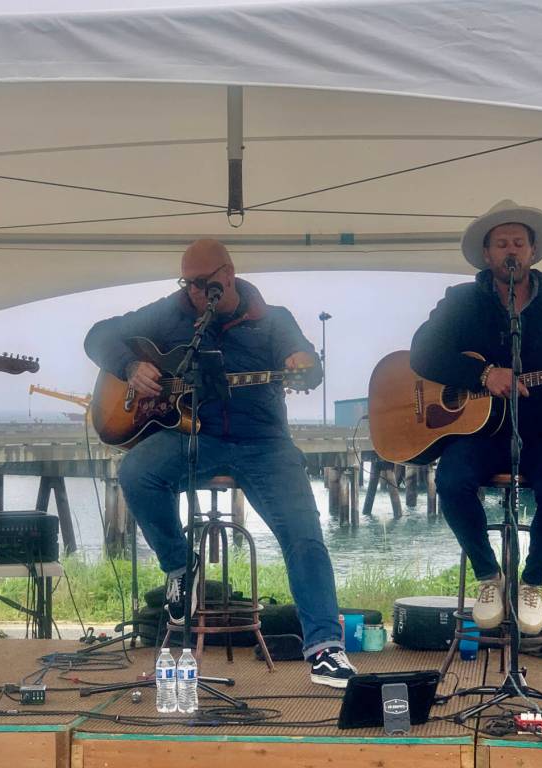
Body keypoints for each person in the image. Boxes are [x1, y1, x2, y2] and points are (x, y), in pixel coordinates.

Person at [85, 239, 356, 687]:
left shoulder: (273, 320)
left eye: (202, 283)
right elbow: (98, 335)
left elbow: (307, 364)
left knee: (303, 533)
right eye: (187, 283)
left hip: (264, 442)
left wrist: (302, 363)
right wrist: (131, 365)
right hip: (195, 435)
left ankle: (325, 648)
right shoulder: (172, 312)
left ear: (227, 276)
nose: (193, 292)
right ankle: (179, 566)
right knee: (136, 472)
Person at [410, 200, 542, 635]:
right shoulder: (460, 302)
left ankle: (533, 579)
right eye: (501, 243)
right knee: (451, 482)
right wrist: (483, 373)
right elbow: (423, 353)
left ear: (533, 252)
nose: (510, 250)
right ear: (487, 255)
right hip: (480, 431)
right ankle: (488, 575)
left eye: (518, 242)